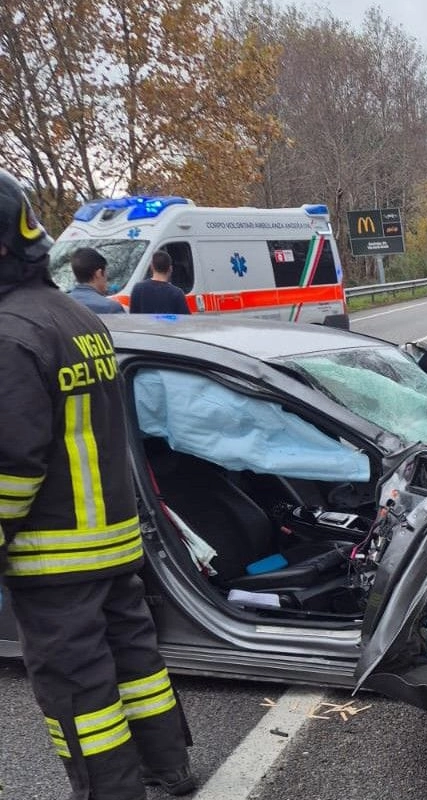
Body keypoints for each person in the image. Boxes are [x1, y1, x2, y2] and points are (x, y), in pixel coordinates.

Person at [0, 171, 195, 799]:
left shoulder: (9, 335)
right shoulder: (75, 317)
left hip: (55, 556)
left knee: (77, 689)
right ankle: (169, 768)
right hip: (112, 539)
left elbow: (11, 467)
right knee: (137, 663)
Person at [66, 247, 126, 315]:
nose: (106, 279)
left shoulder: (60, 304)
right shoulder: (111, 308)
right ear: (99, 273)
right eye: (106, 274)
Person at [129, 250, 189, 315]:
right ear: (170, 269)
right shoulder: (177, 293)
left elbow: (133, 317)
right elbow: (185, 320)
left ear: (152, 267)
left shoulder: (138, 289)